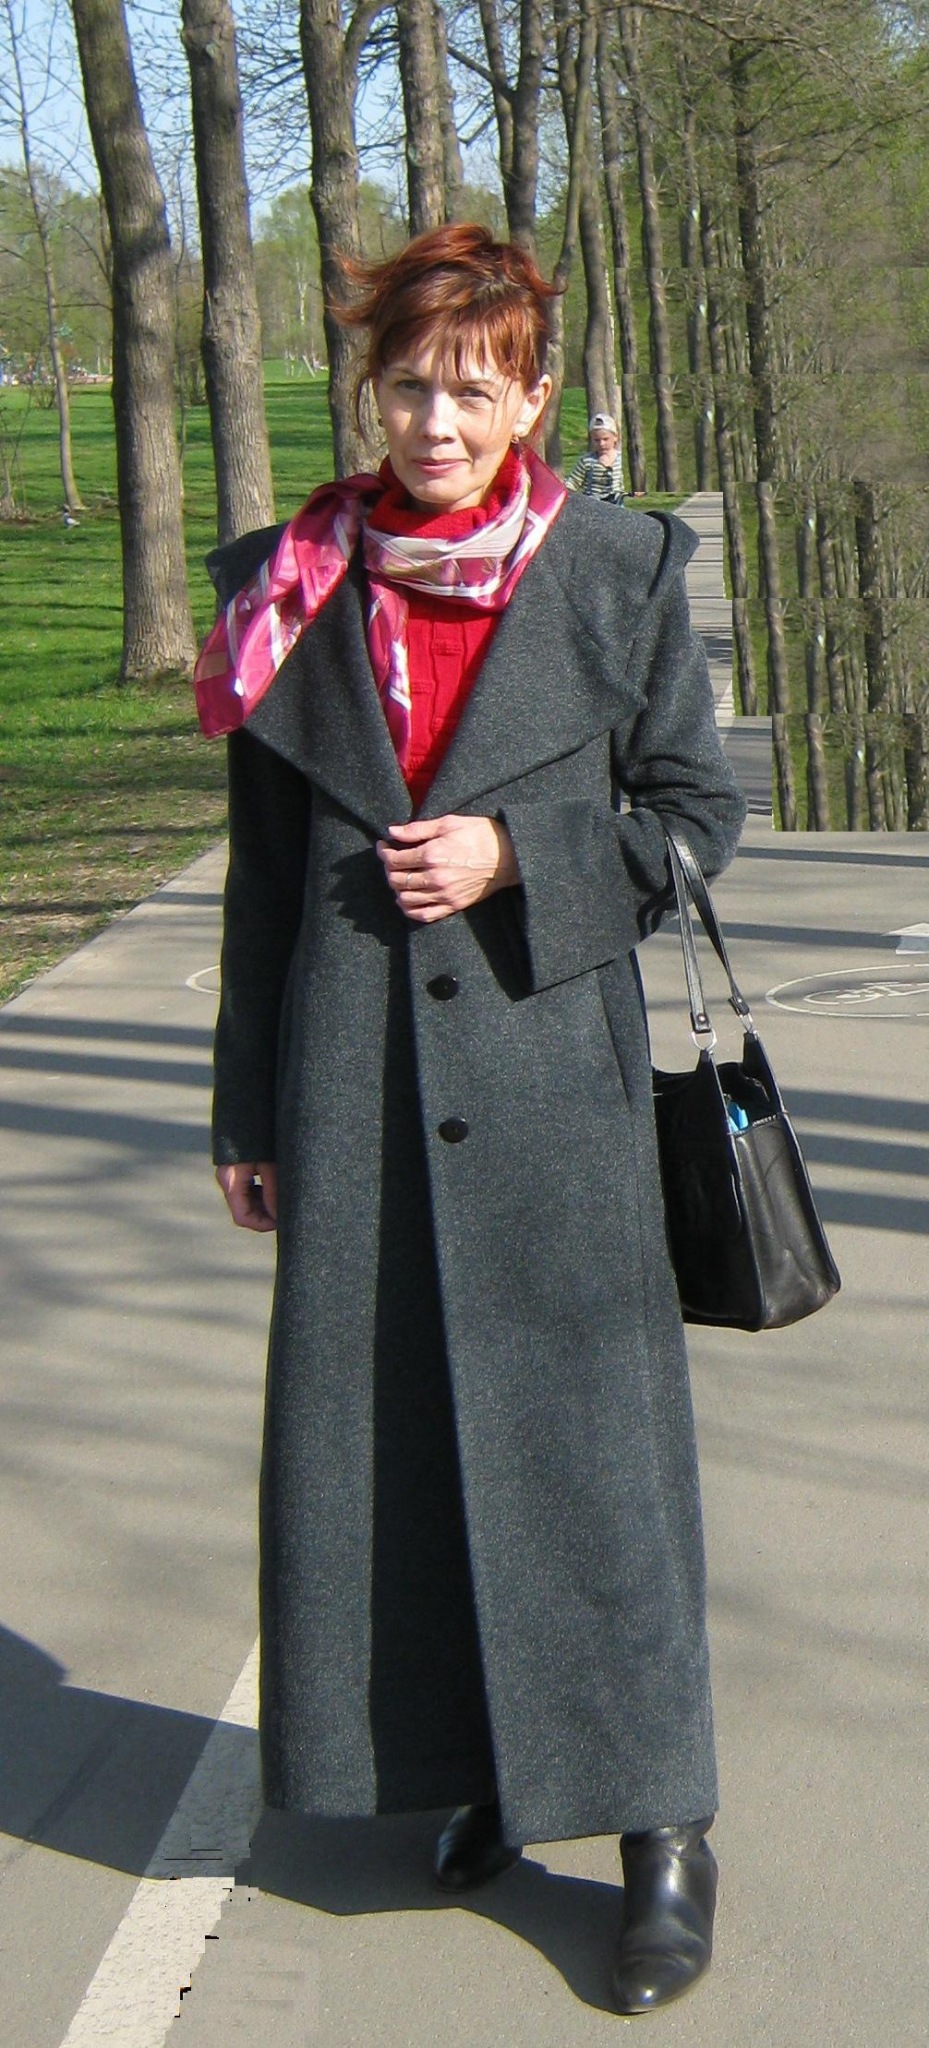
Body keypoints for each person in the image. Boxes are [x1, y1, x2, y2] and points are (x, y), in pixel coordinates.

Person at [194, 223, 746, 2018]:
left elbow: (692, 818)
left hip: (549, 1087)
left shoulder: (611, 570)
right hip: (349, 1081)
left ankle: (659, 1825)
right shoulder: (283, 586)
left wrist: (522, 853)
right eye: (409, 385)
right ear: (371, 391)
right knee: (404, 1454)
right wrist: (244, 1108)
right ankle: (491, 1772)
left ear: (530, 397)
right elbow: (261, 883)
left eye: (474, 388)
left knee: (592, 1464)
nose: (436, 422)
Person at [566, 411, 626, 503]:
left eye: (605, 439)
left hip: (616, 504)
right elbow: (573, 482)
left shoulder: (621, 459)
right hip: (592, 504)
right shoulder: (587, 461)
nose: (601, 444)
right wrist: (565, 490)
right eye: (597, 440)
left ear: (615, 437)